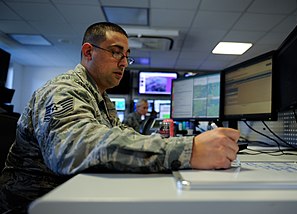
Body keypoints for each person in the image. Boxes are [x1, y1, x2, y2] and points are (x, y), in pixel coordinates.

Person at [0, 22, 240, 213]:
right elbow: (72, 150)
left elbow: (119, 134)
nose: (124, 63)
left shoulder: (101, 98)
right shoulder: (63, 90)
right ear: (88, 52)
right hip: (34, 205)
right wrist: (190, 150)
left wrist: (168, 145)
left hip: (69, 194)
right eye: (116, 53)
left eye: (127, 56)